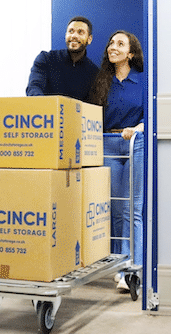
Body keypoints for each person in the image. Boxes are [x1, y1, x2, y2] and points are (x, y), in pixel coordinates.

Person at [87, 30, 144, 289]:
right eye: (111, 43)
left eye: (120, 44)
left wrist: (137, 130)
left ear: (130, 53)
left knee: (133, 208)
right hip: (108, 146)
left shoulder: (142, 82)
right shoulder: (101, 82)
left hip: (134, 144)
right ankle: (119, 269)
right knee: (115, 209)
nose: (113, 47)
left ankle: (135, 267)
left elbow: (151, 117)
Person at [26, 16, 99, 101]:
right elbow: (34, 87)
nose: (74, 36)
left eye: (80, 32)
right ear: (66, 35)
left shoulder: (94, 73)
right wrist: (46, 106)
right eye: (71, 31)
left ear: (89, 39)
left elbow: (93, 106)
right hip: (47, 112)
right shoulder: (46, 59)